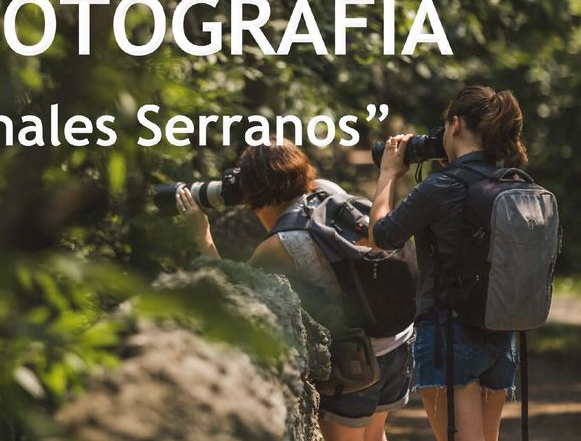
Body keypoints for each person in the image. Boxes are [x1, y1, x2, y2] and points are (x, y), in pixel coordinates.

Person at [177, 141, 413, 441]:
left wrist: (203, 238)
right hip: (397, 340)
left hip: (358, 361)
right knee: (376, 434)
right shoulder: (327, 191)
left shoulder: (279, 246)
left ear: (254, 189)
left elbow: (236, 296)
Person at [368, 85, 528, 441]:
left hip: (447, 334)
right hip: (500, 334)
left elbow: (382, 236)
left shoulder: (441, 187)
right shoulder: (508, 183)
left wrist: (388, 174)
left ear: (454, 125)